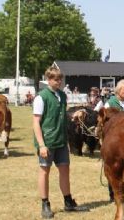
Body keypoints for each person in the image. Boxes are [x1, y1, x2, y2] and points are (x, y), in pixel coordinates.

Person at [33, 67, 88, 219]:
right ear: (48, 79)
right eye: (56, 79)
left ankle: (68, 202)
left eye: (60, 79)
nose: (59, 82)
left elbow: (62, 115)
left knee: (65, 171)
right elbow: (36, 122)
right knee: (44, 171)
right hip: (48, 142)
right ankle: (45, 204)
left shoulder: (62, 96)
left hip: (61, 140)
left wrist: (73, 115)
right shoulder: (41, 97)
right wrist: (42, 145)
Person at [104, 79, 124, 201]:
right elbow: (104, 122)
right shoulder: (109, 103)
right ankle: (113, 193)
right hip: (114, 141)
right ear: (118, 91)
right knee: (113, 167)